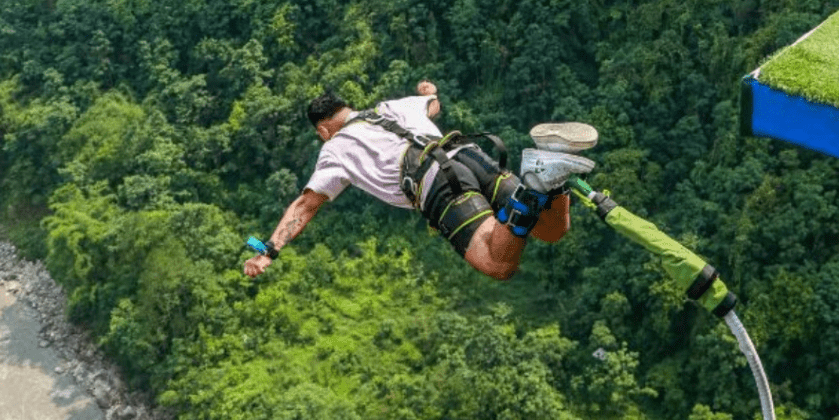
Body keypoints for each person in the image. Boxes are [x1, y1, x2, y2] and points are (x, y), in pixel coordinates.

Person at [244, 81, 595, 281]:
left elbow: (305, 206)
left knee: (498, 263)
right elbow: (432, 104)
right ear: (347, 109)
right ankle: (551, 174)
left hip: (438, 183)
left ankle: (533, 189)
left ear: (323, 130)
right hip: (469, 154)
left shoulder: (334, 149)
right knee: (550, 229)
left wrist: (269, 251)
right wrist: (428, 89)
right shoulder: (390, 107)